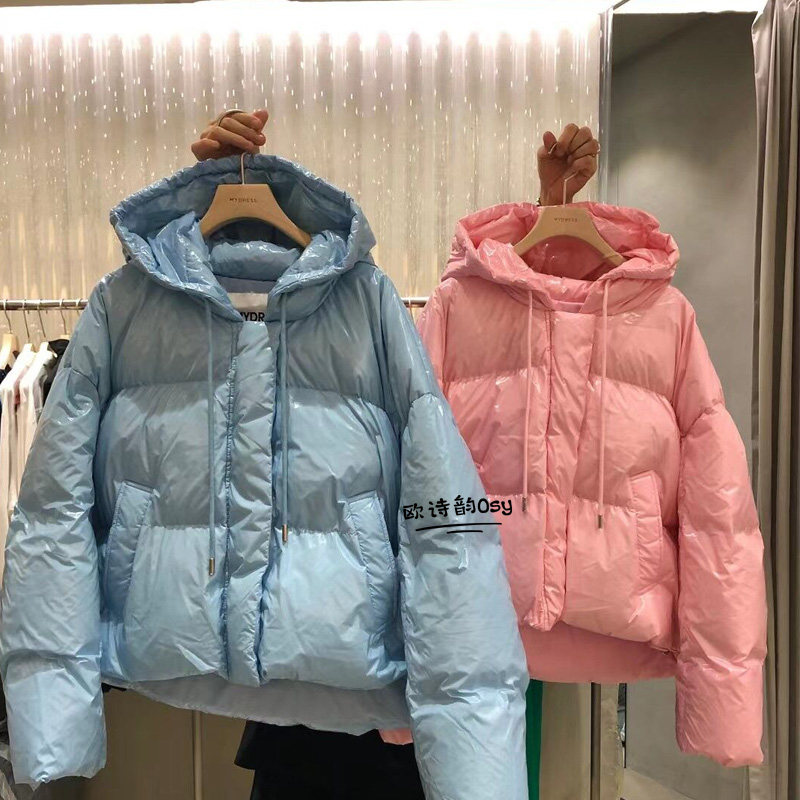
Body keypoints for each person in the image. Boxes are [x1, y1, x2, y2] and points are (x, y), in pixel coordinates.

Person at [190, 108, 598, 800]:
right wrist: (213, 204)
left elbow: (534, 383)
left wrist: (550, 227)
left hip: (450, 668)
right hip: (317, 686)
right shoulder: (299, 337)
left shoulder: (443, 330)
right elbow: (218, 399)